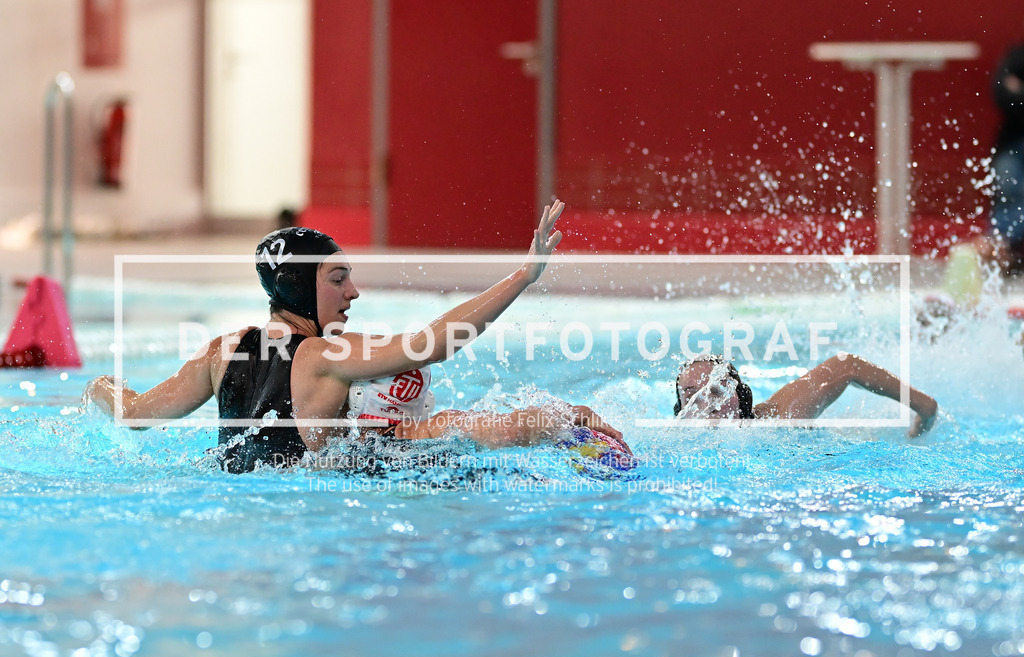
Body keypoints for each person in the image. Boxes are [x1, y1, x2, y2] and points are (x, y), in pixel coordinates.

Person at [84, 200, 629, 473]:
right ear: (300, 287)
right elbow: (436, 341)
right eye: (338, 279)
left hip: (238, 501)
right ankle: (569, 424)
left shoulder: (221, 352)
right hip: (317, 503)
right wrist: (524, 275)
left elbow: (133, 412)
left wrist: (99, 387)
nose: (353, 293)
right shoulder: (324, 355)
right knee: (448, 438)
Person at [673, 353, 938, 438]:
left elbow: (847, 365)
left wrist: (923, 409)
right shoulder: (675, 449)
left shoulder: (777, 419)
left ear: (740, 397)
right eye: (691, 394)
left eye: (718, 389)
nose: (706, 402)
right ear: (681, 410)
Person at [976, 42, 1024, 275]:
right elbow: (1001, 94)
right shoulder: (1018, 55)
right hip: (1014, 141)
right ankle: (1001, 244)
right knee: (1008, 178)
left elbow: (1013, 95)